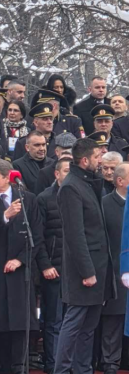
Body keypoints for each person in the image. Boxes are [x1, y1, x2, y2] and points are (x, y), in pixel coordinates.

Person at [0, 159, 43, 374]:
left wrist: (21, 260)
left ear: (7, 178)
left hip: (20, 271)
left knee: (20, 321)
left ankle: (19, 365)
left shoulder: (28, 200)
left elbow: (37, 235)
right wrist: (4, 216)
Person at [54, 138, 116, 374]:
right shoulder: (71, 187)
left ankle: (83, 369)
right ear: (84, 160)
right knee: (74, 322)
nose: (100, 161)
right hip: (84, 270)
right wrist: (87, 271)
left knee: (89, 325)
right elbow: (74, 235)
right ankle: (62, 370)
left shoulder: (90, 183)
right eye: (97, 157)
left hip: (99, 266)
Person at [36, 157, 70, 374]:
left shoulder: (80, 195)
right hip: (53, 270)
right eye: (67, 170)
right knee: (53, 321)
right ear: (56, 174)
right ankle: (53, 365)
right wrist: (46, 265)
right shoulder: (44, 198)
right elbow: (38, 237)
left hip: (76, 271)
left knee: (74, 322)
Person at [99, 162, 128, 374]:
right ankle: (109, 362)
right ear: (120, 181)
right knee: (114, 320)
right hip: (114, 272)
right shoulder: (105, 205)